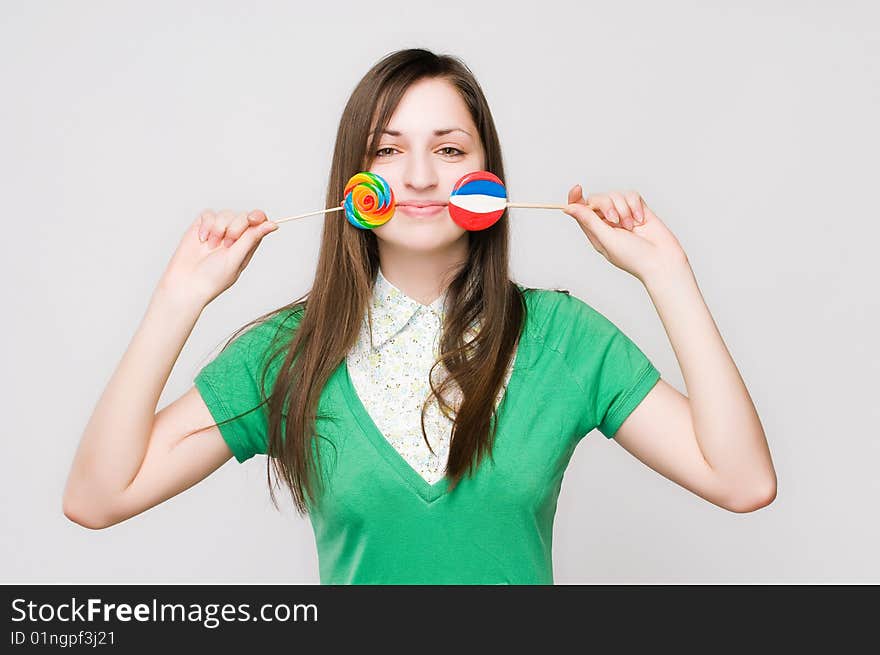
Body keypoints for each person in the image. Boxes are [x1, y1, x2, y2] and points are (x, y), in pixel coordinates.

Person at [63, 48, 777, 584]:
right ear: (357, 180)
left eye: (449, 149)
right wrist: (178, 298)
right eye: (388, 150)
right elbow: (97, 497)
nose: (422, 176)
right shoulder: (290, 352)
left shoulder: (565, 338)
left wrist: (666, 273)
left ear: (486, 175)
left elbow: (742, 480)